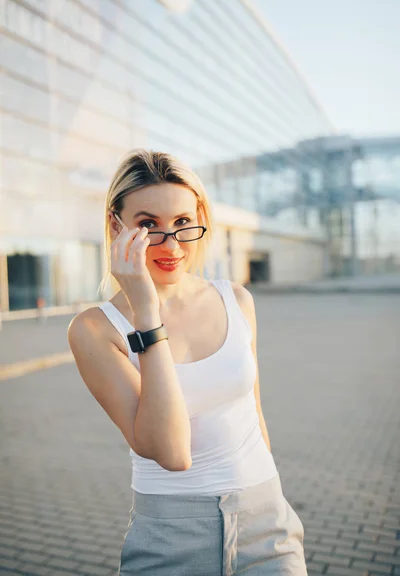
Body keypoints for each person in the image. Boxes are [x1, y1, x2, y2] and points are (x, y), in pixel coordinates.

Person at [67, 149, 308, 575]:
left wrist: (271, 498)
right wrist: (146, 312)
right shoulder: (95, 330)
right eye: (148, 225)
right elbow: (172, 452)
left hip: (267, 524)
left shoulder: (235, 299)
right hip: (171, 536)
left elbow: (255, 414)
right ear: (115, 225)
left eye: (182, 223)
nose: (171, 245)